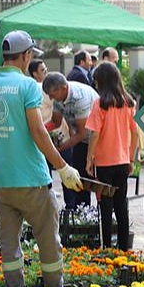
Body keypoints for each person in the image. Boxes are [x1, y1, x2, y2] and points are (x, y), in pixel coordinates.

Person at [0, 30, 83, 287]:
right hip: (33, 181)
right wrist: (63, 167)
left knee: (9, 247)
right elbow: (38, 131)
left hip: (3, 184)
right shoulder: (28, 86)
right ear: (25, 56)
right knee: (47, 242)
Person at [85, 61, 139, 250]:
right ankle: (124, 247)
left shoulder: (100, 103)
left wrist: (89, 158)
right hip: (122, 161)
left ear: (102, 81)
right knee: (121, 206)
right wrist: (131, 158)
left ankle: (106, 246)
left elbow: (94, 133)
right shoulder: (128, 102)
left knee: (105, 207)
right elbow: (136, 133)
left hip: (104, 163)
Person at [42, 71, 98, 209]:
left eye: (52, 94)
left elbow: (81, 133)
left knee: (89, 180)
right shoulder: (58, 97)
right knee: (78, 178)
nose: (50, 98)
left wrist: (57, 148)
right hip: (81, 138)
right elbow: (55, 122)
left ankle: (88, 214)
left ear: (63, 88)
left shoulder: (80, 98)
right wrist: (39, 131)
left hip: (95, 139)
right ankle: (78, 212)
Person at [28, 59, 70, 159]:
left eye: (46, 69)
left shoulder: (47, 90)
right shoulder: (38, 89)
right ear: (35, 74)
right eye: (43, 70)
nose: (46, 72)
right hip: (47, 139)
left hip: (58, 138)